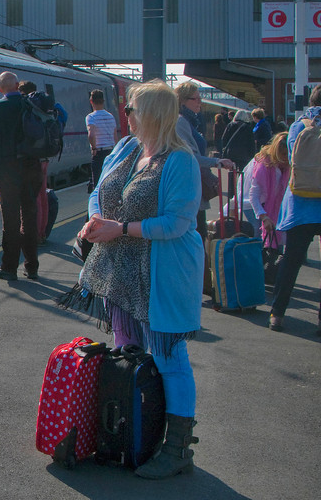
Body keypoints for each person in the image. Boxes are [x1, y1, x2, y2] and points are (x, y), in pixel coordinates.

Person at [58, 80, 203, 479]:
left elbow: (177, 222)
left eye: (132, 109)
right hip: (122, 270)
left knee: (169, 357)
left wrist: (118, 228)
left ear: (152, 114)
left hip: (163, 272)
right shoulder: (126, 149)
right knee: (130, 351)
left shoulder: (180, 161)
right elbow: (99, 191)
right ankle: (132, 433)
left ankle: (177, 449)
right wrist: (95, 220)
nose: (126, 115)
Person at [268, 85, 321, 334]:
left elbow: (291, 160)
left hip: (299, 205)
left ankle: (277, 314)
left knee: (291, 262)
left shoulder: (298, 127)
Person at [0, 71, 41, 281]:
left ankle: (9, 267)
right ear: (18, 86)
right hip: (33, 168)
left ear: (0, 89)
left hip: (9, 171)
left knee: (10, 219)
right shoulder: (30, 104)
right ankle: (32, 267)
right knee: (29, 216)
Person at [174, 81, 234, 241]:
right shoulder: (180, 122)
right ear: (183, 101)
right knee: (197, 234)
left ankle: (201, 265)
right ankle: (200, 265)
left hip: (195, 184)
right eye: (196, 99)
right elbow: (188, 156)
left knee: (199, 232)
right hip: (188, 186)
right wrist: (216, 162)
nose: (200, 102)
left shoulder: (189, 121)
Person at [18, 80, 50, 245]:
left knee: (33, 198)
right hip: (45, 157)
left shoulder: (27, 106)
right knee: (42, 196)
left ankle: (34, 235)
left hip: (32, 159)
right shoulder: (46, 106)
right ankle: (42, 232)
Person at [249, 132, 290, 250]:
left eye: (288, 155)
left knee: (279, 247)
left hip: (280, 213)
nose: (286, 158)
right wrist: (264, 217)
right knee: (265, 246)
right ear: (276, 152)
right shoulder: (264, 166)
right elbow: (254, 195)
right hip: (260, 207)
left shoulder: (289, 167)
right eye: (283, 154)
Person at [85, 89, 119, 193]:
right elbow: (115, 136)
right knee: (109, 180)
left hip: (99, 152)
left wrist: (94, 148)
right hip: (111, 151)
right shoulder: (110, 116)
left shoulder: (90, 117)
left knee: (98, 184)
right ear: (103, 101)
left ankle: (99, 205)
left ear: (91, 101)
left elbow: (91, 133)